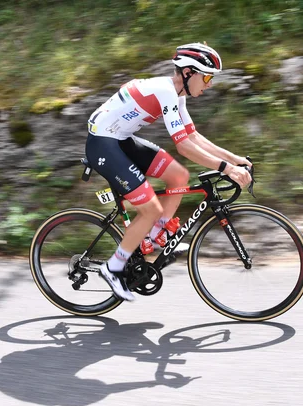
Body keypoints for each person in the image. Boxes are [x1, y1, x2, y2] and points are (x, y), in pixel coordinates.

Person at [85, 43, 252, 301]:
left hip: (121, 138)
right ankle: (113, 267)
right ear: (188, 73)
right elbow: (184, 146)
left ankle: (156, 235)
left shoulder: (177, 94)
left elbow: (192, 135)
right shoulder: (166, 91)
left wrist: (233, 158)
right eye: (207, 77)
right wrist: (227, 169)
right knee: (150, 208)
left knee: (179, 176)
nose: (209, 84)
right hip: (103, 143)